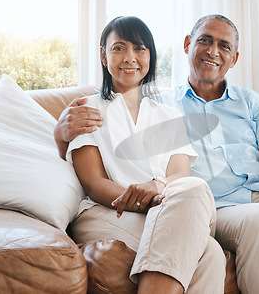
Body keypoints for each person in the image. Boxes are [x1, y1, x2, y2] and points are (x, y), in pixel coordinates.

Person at [56, 14, 259, 293]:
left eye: (224, 46)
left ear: (234, 58)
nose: (213, 51)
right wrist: (60, 131)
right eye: (205, 41)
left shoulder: (255, 104)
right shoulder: (162, 105)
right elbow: (113, 146)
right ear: (188, 44)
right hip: (216, 207)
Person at [63, 16, 225, 294]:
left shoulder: (168, 115)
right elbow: (94, 182)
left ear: (150, 56)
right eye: (119, 48)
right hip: (107, 211)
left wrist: (157, 190)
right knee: (209, 251)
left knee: (196, 194)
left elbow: (180, 174)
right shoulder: (87, 109)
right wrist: (140, 200)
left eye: (139, 49)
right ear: (104, 56)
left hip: (163, 207)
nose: (130, 58)